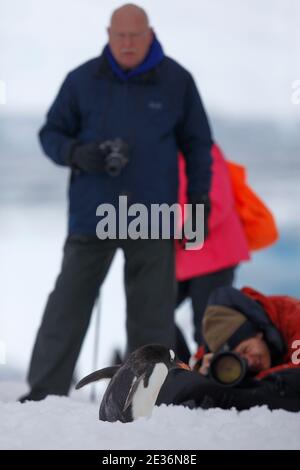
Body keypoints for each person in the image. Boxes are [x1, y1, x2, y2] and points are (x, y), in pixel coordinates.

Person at [21, 4, 213, 402]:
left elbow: (198, 147)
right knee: (67, 305)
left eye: (135, 35)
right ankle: (43, 393)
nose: (127, 44)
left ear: (150, 33)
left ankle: (148, 397)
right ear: (109, 34)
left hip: (153, 216)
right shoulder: (81, 79)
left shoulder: (177, 81)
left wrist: (198, 203)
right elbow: (50, 134)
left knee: (151, 316)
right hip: (92, 214)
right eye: (120, 35)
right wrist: (77, 152)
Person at [157, 286, 300, 412]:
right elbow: (189, 374)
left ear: (259, 333)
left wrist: (249, 383)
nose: (250, 362)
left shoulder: (292, 315)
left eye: (246, 349)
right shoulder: (215, 346)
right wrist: (202, 371)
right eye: (238, 359)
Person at [174, 144, 250, 363]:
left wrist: (169, 228)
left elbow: (217, 202)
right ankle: (182, 371)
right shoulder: (157, 153)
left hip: (215, 253)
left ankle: (211, 382)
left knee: (208, 330)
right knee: (151, 314)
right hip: (182, 256)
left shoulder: (202, 149)